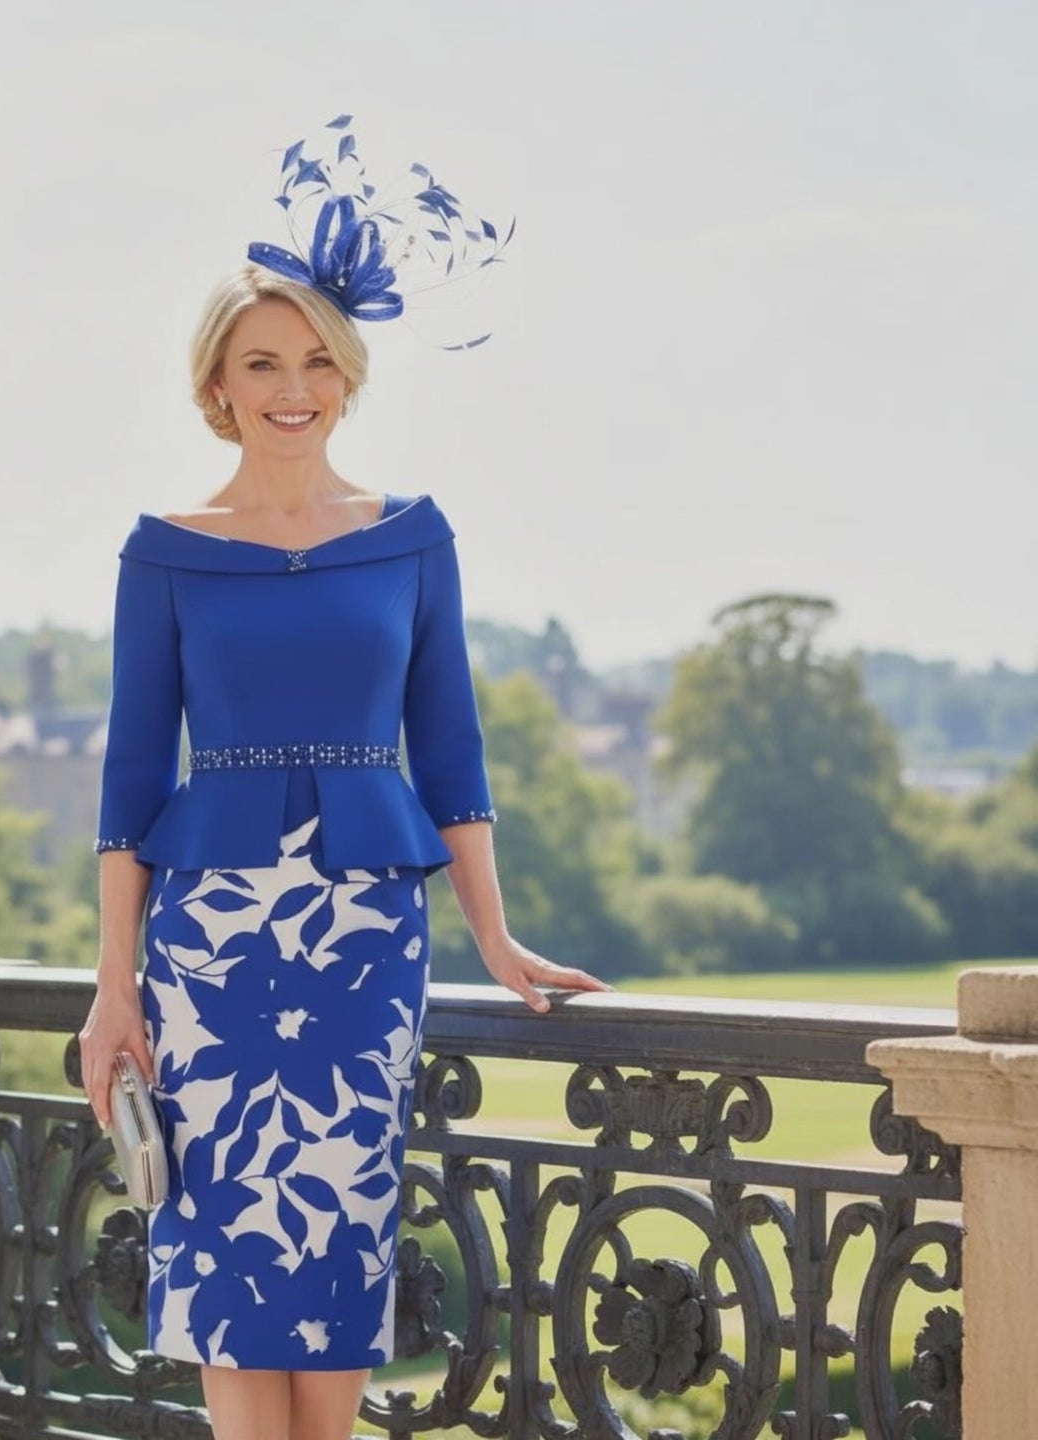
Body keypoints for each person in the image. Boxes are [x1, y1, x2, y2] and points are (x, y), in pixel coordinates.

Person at [78, 124, 608, 1440]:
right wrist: (112, 989)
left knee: (332, 1247)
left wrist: (493, 931)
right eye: (263, 361)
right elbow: (131, 784)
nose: (293, 385)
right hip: (211, 950)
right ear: (218, 383)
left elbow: (455, 750)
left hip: (367, 940)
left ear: (348, 375)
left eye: (317, 359)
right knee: (220, 1251)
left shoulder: (413, 541)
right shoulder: (164, 554)